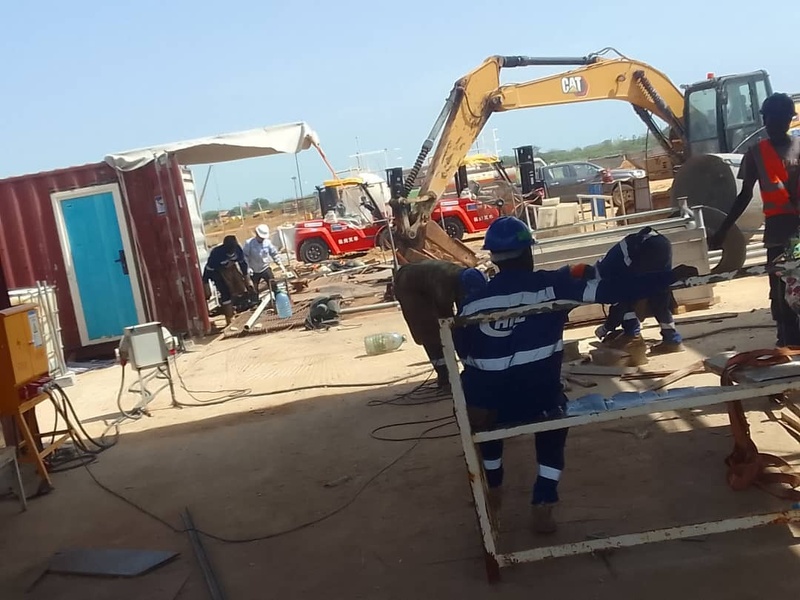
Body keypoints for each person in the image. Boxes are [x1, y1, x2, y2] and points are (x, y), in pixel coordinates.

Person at [453, 217, 697, 533]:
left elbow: (464, 354)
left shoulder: (472, 305)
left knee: (483, 407)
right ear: (528, 253)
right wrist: (665, 278)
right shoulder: (552, 286)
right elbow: (611, 289)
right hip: (539, 402)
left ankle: (494, 485)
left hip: (491, 409)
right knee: (555, 418)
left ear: (494, 258)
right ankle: (544, 498)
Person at [710, 93, 800, 347]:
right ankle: (787, 340)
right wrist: (724, 230)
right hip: (777, 234)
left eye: (779, 118)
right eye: (770, 118)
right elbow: (744, 196)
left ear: (787, 119)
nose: (773, 123)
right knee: (781, 293)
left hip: (795, 231)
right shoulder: (755, 153)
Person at [590, 227, 685, 357]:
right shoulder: (604, 265)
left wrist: (605, 328)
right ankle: (672, 340)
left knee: (627, 297)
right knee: (659, 292)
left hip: (646, 248)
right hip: (661, 243)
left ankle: (632, 335)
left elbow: (619, 305)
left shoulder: (604, 277)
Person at [393, 260, 487, 389]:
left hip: (424, 280)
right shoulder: (444, 283)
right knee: (430, 331)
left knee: (454, 329)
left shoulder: (464, 278)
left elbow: (467, 310)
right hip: (408, 285)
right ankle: (444, 377)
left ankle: (456, 373)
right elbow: (446, 319)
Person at [203, 235, 250, 325]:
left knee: (240, 288)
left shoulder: (237, 249)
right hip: (218, 273)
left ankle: (236, 307)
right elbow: (208, 270)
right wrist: (206, 285)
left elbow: (243, 264)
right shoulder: (216, 254)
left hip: (232, 269)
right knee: (225, 293)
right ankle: (229, 318)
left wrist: (247, 279)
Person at [242, 224, 283, 295]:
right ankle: (255, 302)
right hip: (254, 270)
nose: (262, 239)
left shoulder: (267, 243)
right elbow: (245, 256)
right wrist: (248, 268)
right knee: (253, 290)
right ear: (257, 234)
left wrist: (279, 263)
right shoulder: (249, 243)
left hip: (265, 268)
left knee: (273, 285)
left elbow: (274, 253)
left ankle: (277, 298)